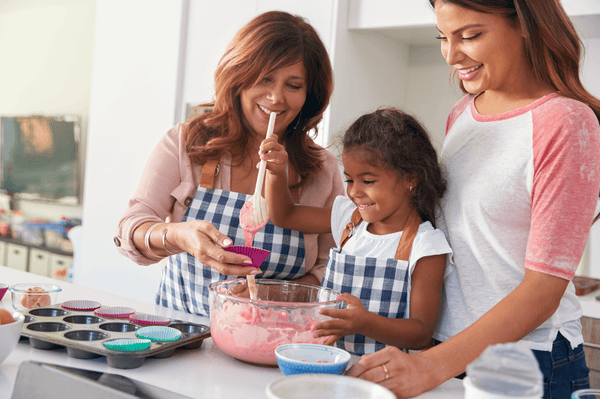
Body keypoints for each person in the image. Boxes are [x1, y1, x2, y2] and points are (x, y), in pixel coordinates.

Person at [346, 0, 600, 398]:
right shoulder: (462, 114)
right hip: (447, 347)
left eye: (470, 35)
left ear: (525, 24)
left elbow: (544, 289)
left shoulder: (566, 122)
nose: (451, 54)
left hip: (523, 360)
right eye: (443, 38)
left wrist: (430, 365)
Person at [114, 11, 345, 316]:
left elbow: (331, 270)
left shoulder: (322, 171)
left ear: (309, 94)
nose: (276, 97)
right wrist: (178, 235)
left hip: (270, 348)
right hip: (180, 341)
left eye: (293, 85)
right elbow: (130, 230)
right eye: (265, 78)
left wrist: (275, 294)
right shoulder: (186, 143)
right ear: (239, 76)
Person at [260, 107, 451, 356]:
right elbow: (285, 215)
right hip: (327, 361)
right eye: (350, 179)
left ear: (410, 178)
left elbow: (421, 332)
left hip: (382, 376)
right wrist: (276, 173)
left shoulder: (426, 246)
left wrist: (365, 322)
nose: (354, 192)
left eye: (368, 181)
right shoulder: (350, 219)